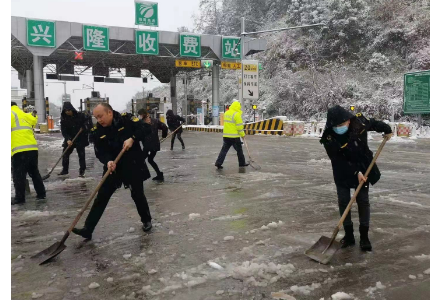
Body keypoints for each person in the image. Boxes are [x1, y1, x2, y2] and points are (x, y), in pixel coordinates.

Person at [72, 103, 153, 240]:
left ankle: (146, 220)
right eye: (96, 117)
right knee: (101, 196)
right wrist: (108, 161)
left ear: (109, 112)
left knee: (137, 194)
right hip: (113, 167)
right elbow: (100, 152)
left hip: (132, 164)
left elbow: (146, 129)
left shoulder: (126, 120)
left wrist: (132, 139)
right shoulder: (97, 130)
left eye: (101, 116)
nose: (99, 120)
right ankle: (88, 229)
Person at [320, 105, 393, 251]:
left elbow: (372, 123)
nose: (342, 126)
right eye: (338, 125)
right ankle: (349, 236)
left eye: (344, 123)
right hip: (342, 171)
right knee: (344, 202)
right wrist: (355, 172)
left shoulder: (358, 122)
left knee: (363, 201)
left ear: (349, 119)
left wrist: (386, 129)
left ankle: (364, 237)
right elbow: (338, 160)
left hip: (363, 165)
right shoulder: (329, 137)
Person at [11, 102, 46, 204]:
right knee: (34, 172)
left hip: (19, 149)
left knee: (19, 175)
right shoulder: (24, 114)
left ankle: (20, 198)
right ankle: (41, 194)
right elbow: (33, 120)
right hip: (32, 148)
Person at [58, 102, 92, 177]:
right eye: (66, 111)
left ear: (72, 109)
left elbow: (88, 121)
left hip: (80, 138)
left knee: (81, 155)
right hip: (70, 138)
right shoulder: (64, 118)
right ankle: (65, 170)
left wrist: (84, 127)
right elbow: (64, 131)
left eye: (69, 110)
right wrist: (67, 139)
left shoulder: (80, 115)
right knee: (65, 154)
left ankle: (82, 170)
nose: (68, 112)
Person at [214, 100, 249, 169]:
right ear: (237, 107)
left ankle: (218, 162)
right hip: (234, 137)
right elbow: (239, 127)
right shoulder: (237, 114)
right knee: (239, 150)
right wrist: (242, 134)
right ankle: (242, 163)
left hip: (226, 136)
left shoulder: (226, 113)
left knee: (224, 150)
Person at [138, 109, 168, 181]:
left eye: (140, 115)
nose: (139, 116)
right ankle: (159, 174)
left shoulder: (141, 123)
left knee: (140, 160)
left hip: (147, 145)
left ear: (142, 115)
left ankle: (140, 176)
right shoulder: (155, 121)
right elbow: (165, 127)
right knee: (150, 159)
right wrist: (164, 135)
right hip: (155, 145)